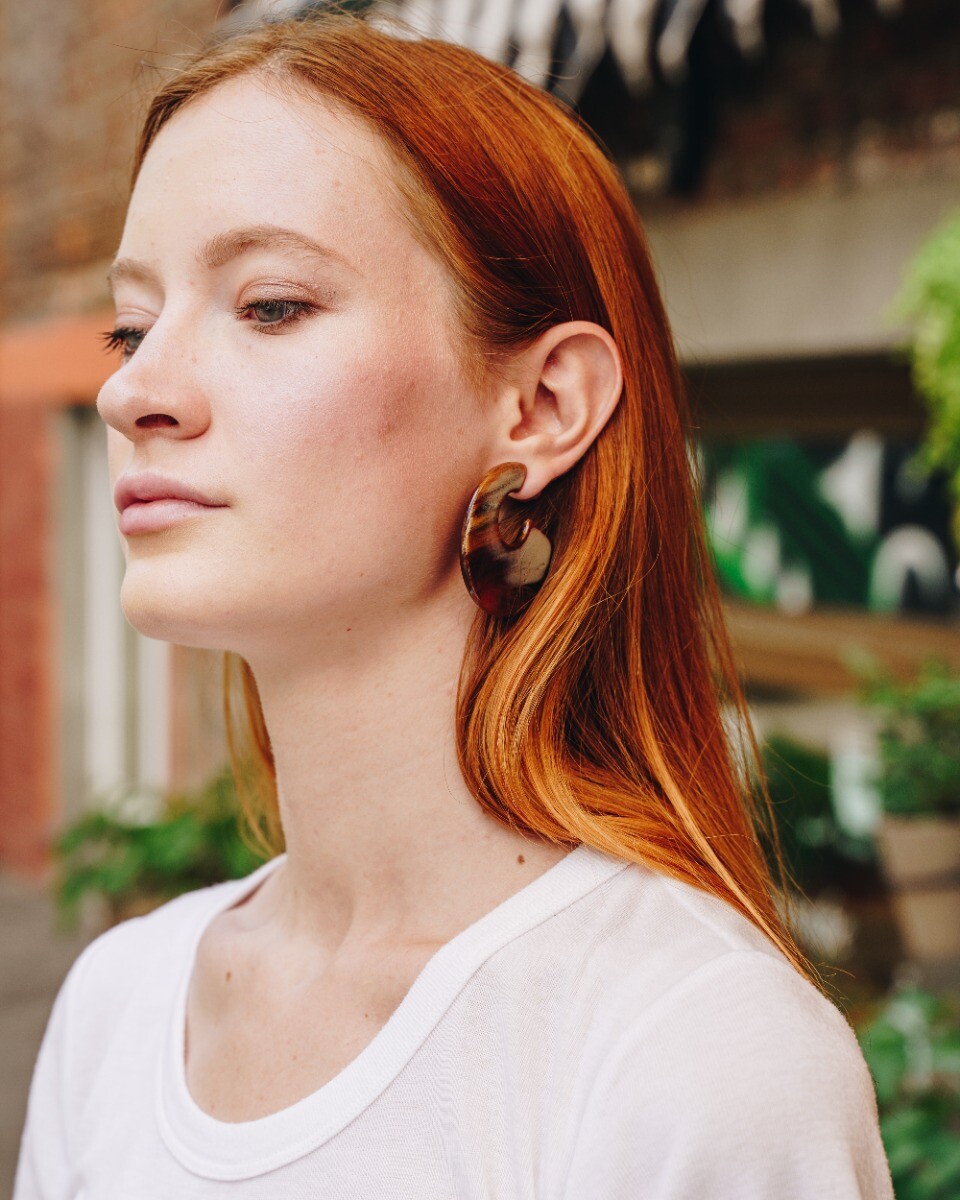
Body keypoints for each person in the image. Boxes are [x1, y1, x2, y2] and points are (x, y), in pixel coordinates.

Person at [14, 9, 894, 1198]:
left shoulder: (690, 1053)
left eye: (270, 305)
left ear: (540, 408)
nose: (132, 392)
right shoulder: (118, 1006)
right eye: (132, 325)